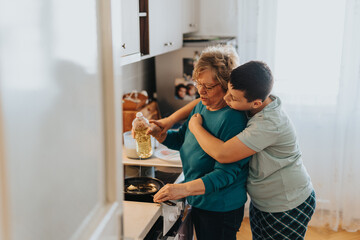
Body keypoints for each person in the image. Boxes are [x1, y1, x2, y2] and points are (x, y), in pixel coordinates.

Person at [153, 61, 316, 240]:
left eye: (233, 98)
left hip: (285, 202)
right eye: (228, 92)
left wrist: (195, 126)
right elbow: (200, 102)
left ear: (255, 103)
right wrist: (167, 123)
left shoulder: (267, 124)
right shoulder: (254, 95)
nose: (226, 99)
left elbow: (223, 154)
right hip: (263, 201)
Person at [148, 45, 251, 240]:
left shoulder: (232, 119)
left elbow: (225, 175)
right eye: (198, 83)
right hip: (201, 200)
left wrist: (180, 188)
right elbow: (181, 139)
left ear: (226, 84)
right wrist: (160, 135)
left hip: (220, 206)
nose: (200, 91)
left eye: (208, 86)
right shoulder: (203, 106)